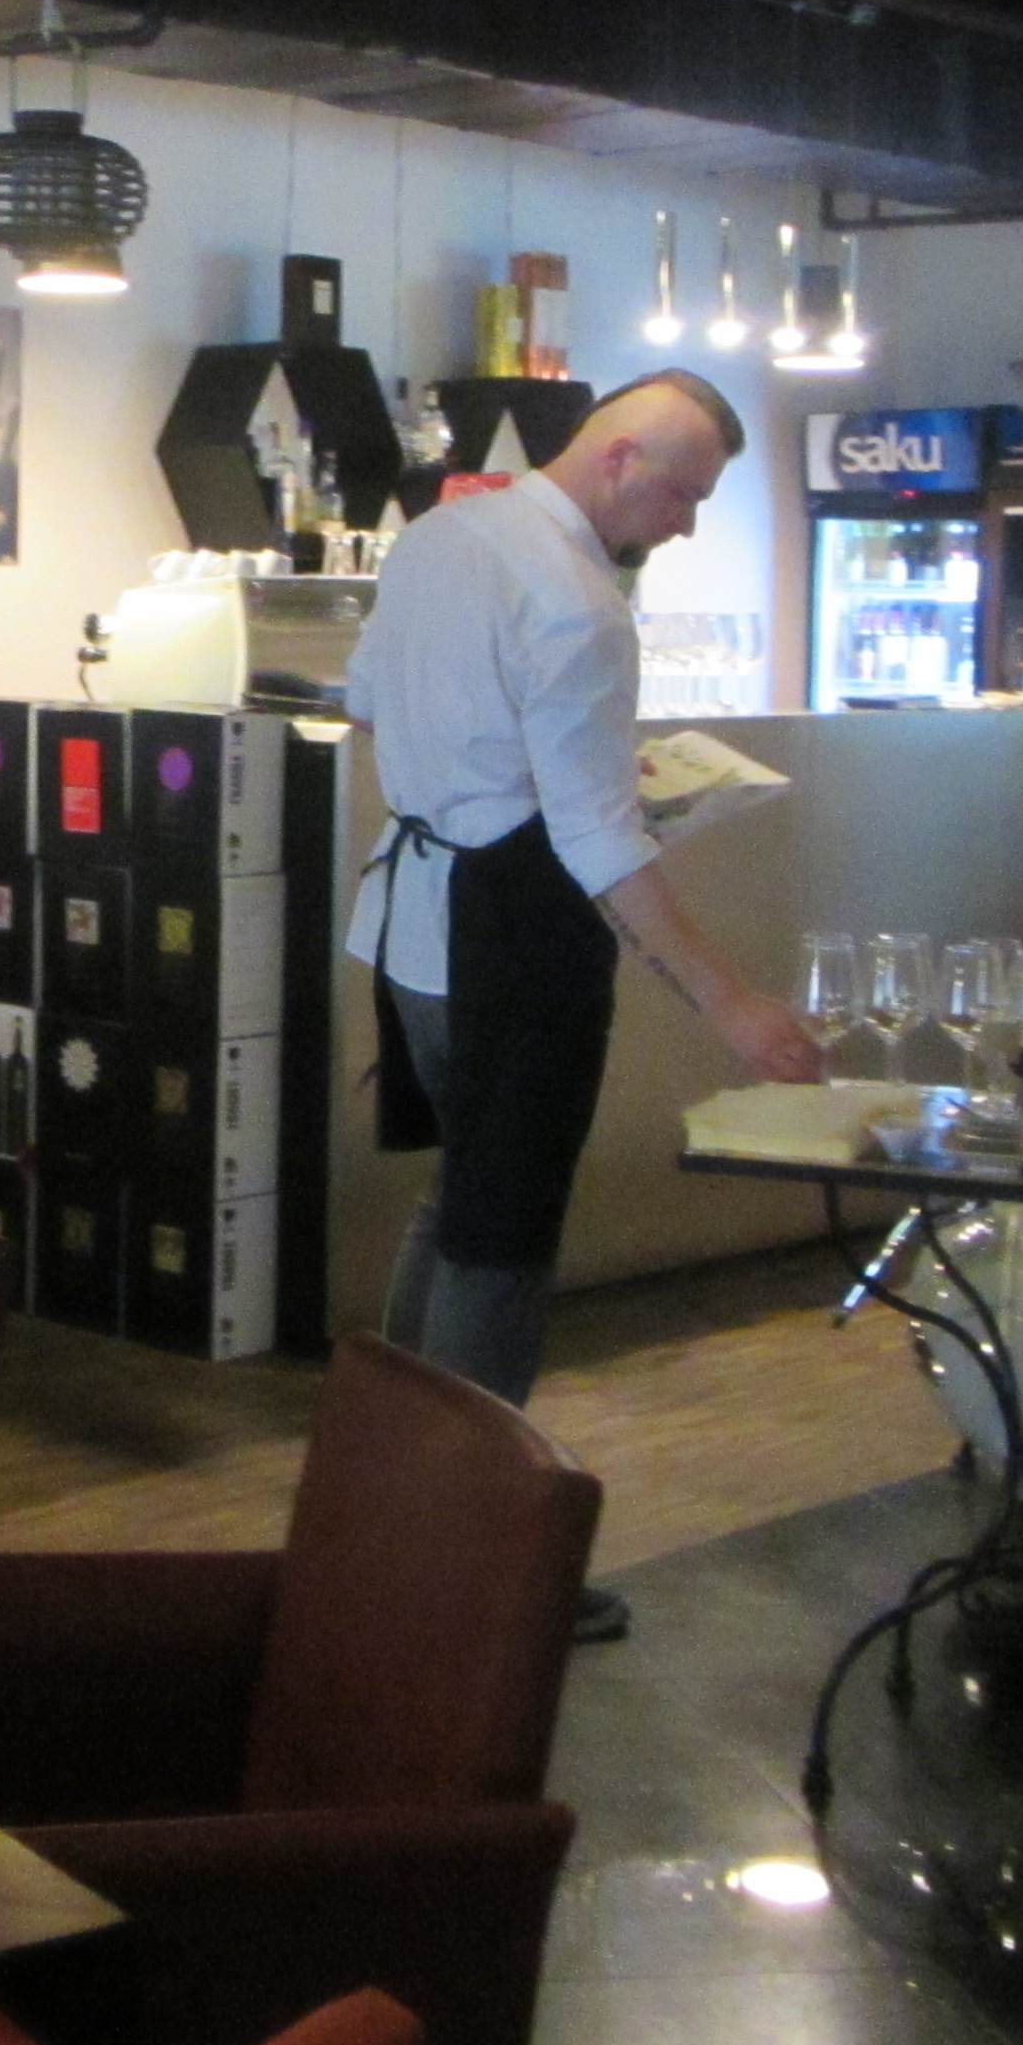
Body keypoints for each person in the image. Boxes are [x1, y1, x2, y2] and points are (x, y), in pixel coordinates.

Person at [345, 368, 822, 1636]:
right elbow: (600, 842)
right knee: (502, 1242)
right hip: (512, 940)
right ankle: (474, 1567)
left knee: (459, 1201)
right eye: (684, 495)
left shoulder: (439, 535)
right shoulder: (579, 603)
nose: (687, 525)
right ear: (619, 459)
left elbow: (364, 702)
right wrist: (732, 1003)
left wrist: (501, 767)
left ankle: (381, 1505)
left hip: (412, 925)